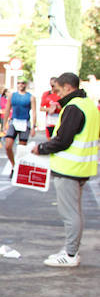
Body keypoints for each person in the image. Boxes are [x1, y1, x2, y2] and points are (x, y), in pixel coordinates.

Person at [30, 72, 99, 267]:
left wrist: (41, 148)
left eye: (58, 90)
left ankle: (70, 254)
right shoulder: (88, 105)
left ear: (68, 88)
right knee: (75, 212)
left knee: (70, 213)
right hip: (81, 166)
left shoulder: (74, 107)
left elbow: (63, 140)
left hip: (69, 168)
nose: (57, 95)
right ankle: (71, 250)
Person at [3, 78, 37, 171]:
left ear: (26, 84)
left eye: (23, 83)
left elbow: (34, 112)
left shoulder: (31, 97)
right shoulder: (12, 96)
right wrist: (4, 124)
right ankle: (13, 164)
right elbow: (7, 109)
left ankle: (18, 166)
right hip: (14, 122)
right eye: (19, 83)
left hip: (25, 123)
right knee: (8, 146)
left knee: (21, 149)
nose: (21, 85)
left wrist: (34, 127)